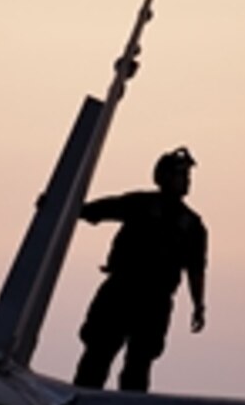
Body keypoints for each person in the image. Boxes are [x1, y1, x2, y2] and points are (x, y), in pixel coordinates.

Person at [73, 146, 207, 391]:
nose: (186, 181)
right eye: (181, 175)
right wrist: (66, 207)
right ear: (165, 177)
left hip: (154, 302)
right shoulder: (140, 204)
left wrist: (198, 305)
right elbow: (100, 210)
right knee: (97, 357)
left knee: (138, 365)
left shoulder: (192, 225)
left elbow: (196, 269)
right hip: (121, 292)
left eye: (187, 176)